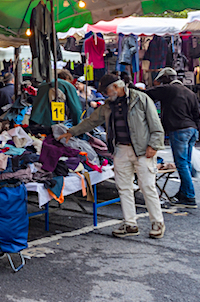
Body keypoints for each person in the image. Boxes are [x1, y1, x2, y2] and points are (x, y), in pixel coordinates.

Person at [60, 74, 166, 239]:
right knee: (124, 188)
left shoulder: (141, 99)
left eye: (107, 91)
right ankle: (130, 224)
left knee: (147, 187)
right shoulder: (108, 106)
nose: (106, 94)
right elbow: (91, 121)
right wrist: (71, 132)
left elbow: (156, 124)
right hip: (120, 150)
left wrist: (154, 145)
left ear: (117, 87)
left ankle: (157, 223)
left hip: (143, 150)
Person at [146, 68, 200, 208]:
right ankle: (183, 193)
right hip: (192, 129)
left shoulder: (169, 89)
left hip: (179, 129)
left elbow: (147, 94)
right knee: (186, 164)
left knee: (182, 164)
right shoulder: (190, 92)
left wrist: (130, 88)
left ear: (166, 78)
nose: (160, 83)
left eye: (161, 80)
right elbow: (197, 115)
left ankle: (189, 197)